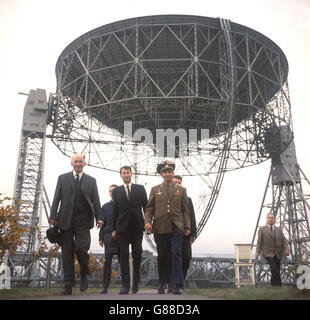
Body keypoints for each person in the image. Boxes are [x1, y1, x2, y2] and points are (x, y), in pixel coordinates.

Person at [49, 154, 102, 295]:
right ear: (72, 163)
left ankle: (84, 274)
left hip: (83, 220)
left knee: (81, 249)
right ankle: (68, 285)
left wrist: (100, 218)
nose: (78, 163)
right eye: (76, 161)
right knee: (67, 254)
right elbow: (56, 198)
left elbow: (96, 201)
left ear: (84, 163)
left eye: (80, 161)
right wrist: (53, 216)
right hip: (65, 220)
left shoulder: (91, 181)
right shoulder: (62, 178)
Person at [144, 161, 191, 294]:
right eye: (165, 172)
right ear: (161, 174)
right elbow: (149, 209)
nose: (167, 174)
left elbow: (185, 210)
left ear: (173, 173)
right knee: (163, 255)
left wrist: (187, 226)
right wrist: (148, 222)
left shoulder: (181, 190)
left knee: (176, 253)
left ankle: (177, 284)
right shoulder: (155, 189)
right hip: (160, 226)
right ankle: (162, 282)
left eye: (170, 172)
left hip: (177, 226)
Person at [112, 166, 148, 294]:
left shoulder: (140, 189)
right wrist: (114, 228)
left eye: (128, 173)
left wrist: (148, 222)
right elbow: (115, 211)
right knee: (123, 255)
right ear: (121, 175)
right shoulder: (117, 191)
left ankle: (136, 283)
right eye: (124, 173)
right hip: (122, 228)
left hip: (137, 227)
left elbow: (146, 207)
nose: (126, 175)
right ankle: (125, 285)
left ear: (131, 174)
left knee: (137, 254)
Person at [255, 213, 289, 287]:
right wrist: (257, 252)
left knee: (276, 270)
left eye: (272, 218)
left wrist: (286, 249)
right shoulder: (262, 229)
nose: (270, 219)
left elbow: (283, 240)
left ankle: (274, 287)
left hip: (277, 253)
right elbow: (259, 241)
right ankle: (278, 286)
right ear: (267, 219)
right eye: (269, 218)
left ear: (274, 219)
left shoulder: (278, 230)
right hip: (267, 253)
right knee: (274, 268)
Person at [172, 175, 196, 280]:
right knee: (173, 257)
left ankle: (181, 279)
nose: (177, 184)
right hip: (171, 232)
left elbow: (191, 216)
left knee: (186, 257)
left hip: (185, 233)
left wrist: (193, 232)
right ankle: (173, 282)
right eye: (175, 182)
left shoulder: (188, 199)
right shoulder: (166, 199)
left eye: (179, 182)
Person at [99, 184, 120, 294]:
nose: (112, 192)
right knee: (107, 262)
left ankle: (126, 286)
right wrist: (100, 238)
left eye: (114, 190)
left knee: (123, 262)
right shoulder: (105, 206)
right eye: (110, 191)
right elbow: (102, 222)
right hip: (107, 237)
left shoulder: (123, 205)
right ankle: (104, 287)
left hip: (121, 237)